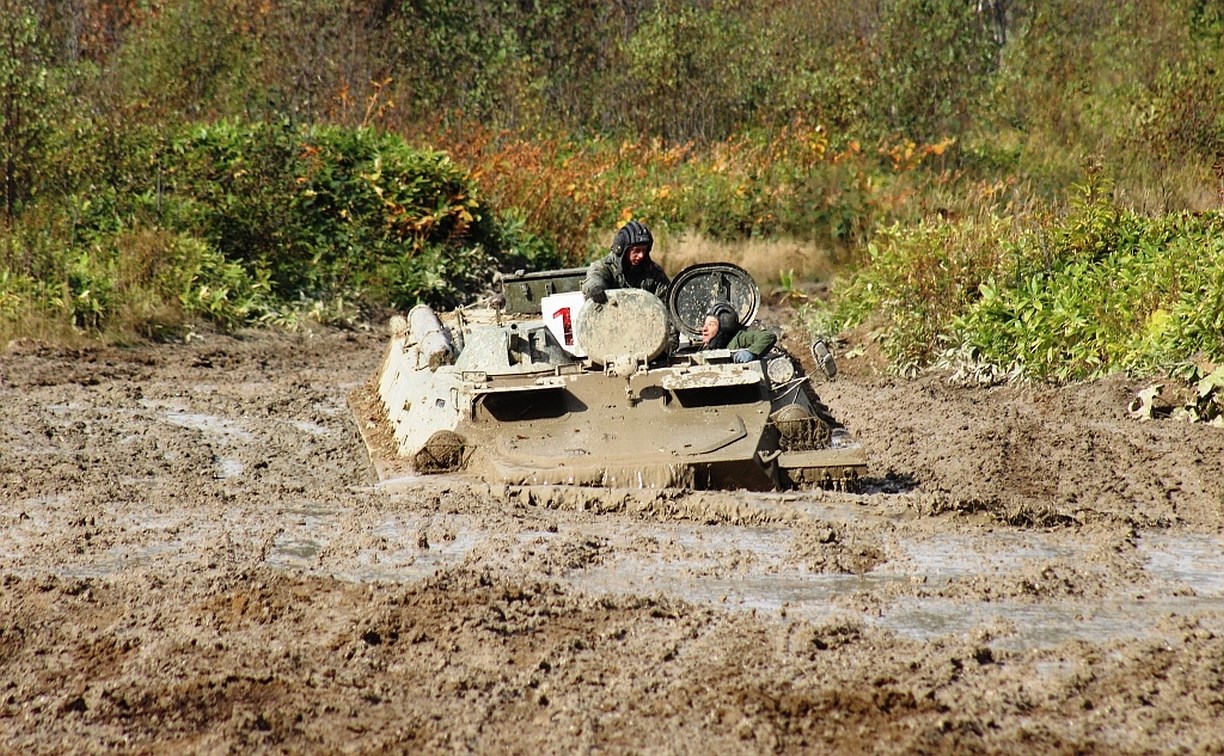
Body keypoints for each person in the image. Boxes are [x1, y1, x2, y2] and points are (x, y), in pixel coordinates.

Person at [581, 220, 670, 304]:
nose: (641, 255)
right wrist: (596, 287)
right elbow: (594, 277)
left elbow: (667, 301)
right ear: (623, 249)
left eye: (644, 250)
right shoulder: (605, 267)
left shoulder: (653, 273)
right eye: (636, 250)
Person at [701, 301, 776, 363]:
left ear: (723, 327)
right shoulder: (703, 347)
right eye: (704, 324)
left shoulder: (739, 338)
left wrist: (752, 352)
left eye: (711, 325)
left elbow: (768, 336)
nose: (704, 329)